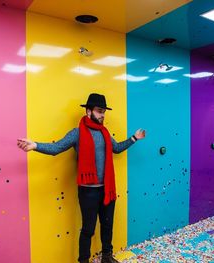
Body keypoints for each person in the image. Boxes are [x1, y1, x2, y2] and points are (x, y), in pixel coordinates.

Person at [17, 93, 146, 263]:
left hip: (107, 189)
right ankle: (83, 260)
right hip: (88, 192)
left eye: (104, 112)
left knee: (107, 226)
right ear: (88, 111)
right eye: (99, 111)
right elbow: (57, 148)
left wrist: (134, 138)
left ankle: (107, 257)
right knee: (88, 229)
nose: (102, 115)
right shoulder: (77, 133)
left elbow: (116, 148)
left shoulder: (105, 133)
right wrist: (35, 145)